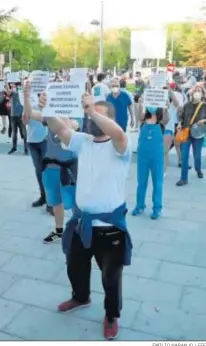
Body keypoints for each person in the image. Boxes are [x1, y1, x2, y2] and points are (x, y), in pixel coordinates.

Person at [38, 91, 132, 340]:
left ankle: (111, 315)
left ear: (110, 119)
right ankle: (81, 296)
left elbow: (118, 133)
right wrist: (48, 110)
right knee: (75, 265)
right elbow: (60, 129)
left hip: (110, 226)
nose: (91, 118)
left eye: (98, 114)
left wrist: (92, 111)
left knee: (111, 276)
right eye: (90, 113)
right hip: (82, 223)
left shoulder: (121, 145)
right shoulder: (84, 141)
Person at [132, 106, 168, 219]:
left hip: (156, 156)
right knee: (141, 182)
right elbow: (139, 116)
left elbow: (167, 119)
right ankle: (139, 205)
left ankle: (157, 208)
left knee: (157, 182)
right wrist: (141, 104)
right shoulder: (143, 121)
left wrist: (166, 106)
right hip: (143, 155)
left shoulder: (161, 123)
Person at [176, 85, 206, 186]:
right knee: (184, 156)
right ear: (192, 93)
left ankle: (198, 169)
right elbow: (181, 117)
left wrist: (204, 120)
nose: (197, 92)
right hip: (186, 132)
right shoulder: (187, 105)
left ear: (202, 94)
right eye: (195, 90)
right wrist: (180, 124)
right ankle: (183, 178)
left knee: (197, 156)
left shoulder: (204, 105)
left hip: (198, 134)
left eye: (199, 91)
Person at [22, 94, 48, 208]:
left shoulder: (47, 102)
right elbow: (25, 122)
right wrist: (25, 112)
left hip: (45, 140)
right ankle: (43, 196)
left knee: (48, 171)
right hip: (32, 140)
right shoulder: (29, 103)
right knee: (39, 170)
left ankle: (52, 201)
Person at [164, 83, 183, 173]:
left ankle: (180, 161)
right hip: (165, 123)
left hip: (175, 123)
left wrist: (170, 91)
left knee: (177, 144)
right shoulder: (161, 95)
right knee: (170, 146)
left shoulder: (177, 95)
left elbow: (177, 105)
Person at [6, 82, 27, 155]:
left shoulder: (22, 93)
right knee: (14, 132)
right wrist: (6, 82)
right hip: (13, 115)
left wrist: (21, 80)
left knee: (24, 132)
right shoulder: (12, 93)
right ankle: (14, 147)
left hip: (21, 115)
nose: (13, 86)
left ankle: (26, 148)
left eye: (14, 85)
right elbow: (8, 92)